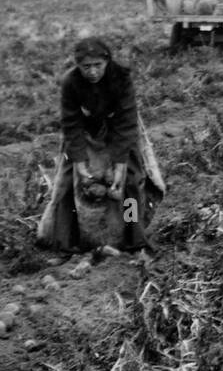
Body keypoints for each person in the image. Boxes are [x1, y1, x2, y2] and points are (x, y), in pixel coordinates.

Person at [37, 37, 164, 253]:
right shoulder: (71, 82)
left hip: (119, 128)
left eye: (98, 66)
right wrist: (78, 162)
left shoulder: (121, 77)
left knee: (132, 181)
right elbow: (71, 123)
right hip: (85, 130)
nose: (93, 72)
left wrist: (120, 165)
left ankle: (134, 238)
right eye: (86, 67)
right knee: (66, 182)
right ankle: (64, 243)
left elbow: (126, 123)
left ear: (107, 62)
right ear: (78, 66)